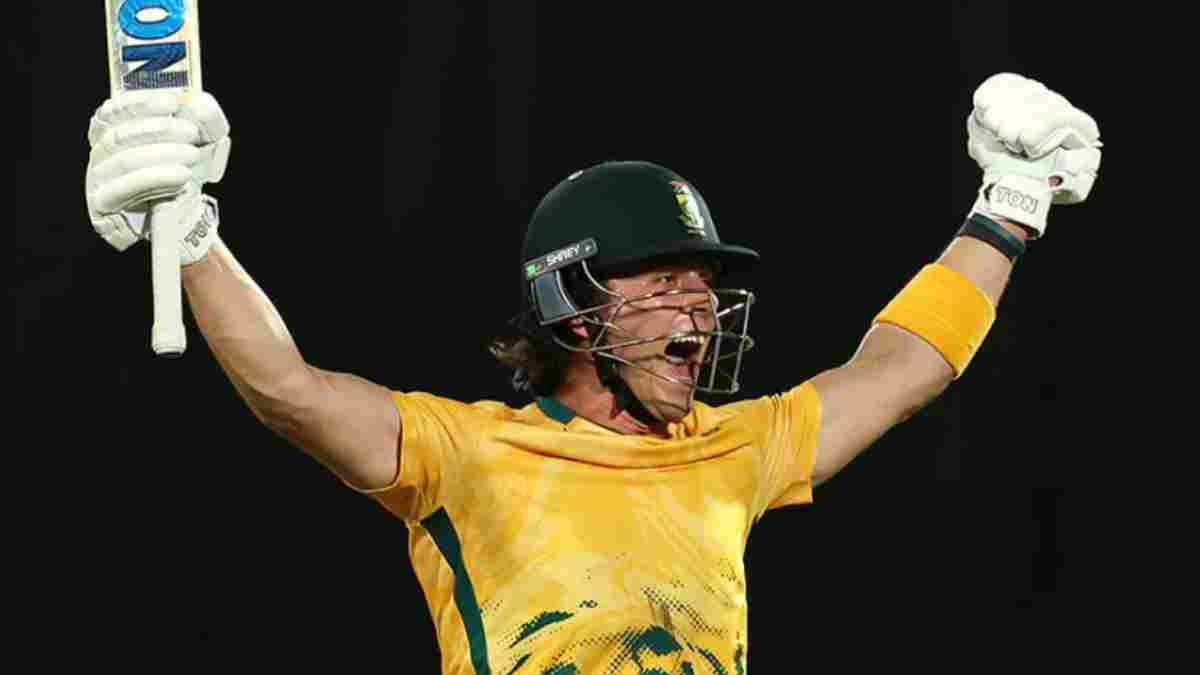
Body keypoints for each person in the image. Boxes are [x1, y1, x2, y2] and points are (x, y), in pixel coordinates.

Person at [84, 72, 1101, 674]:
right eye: (665, 283)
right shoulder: (465, 454)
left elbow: (903, 366)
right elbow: (289, 389)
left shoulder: (736, 449)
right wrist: (192, 238)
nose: (698, 311)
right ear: (572, 304)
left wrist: (1009, 206)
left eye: (706, 289)